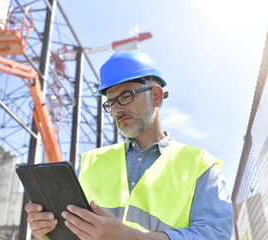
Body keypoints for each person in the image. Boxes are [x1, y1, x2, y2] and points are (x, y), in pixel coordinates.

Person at [25, 50, 233, 240]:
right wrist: (44, 231)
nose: (116, 109)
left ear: (156, 96)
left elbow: (216, 234)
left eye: (126, 96)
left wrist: (130, 237)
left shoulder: (199, 165)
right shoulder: (90, 161)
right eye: (110, 102)